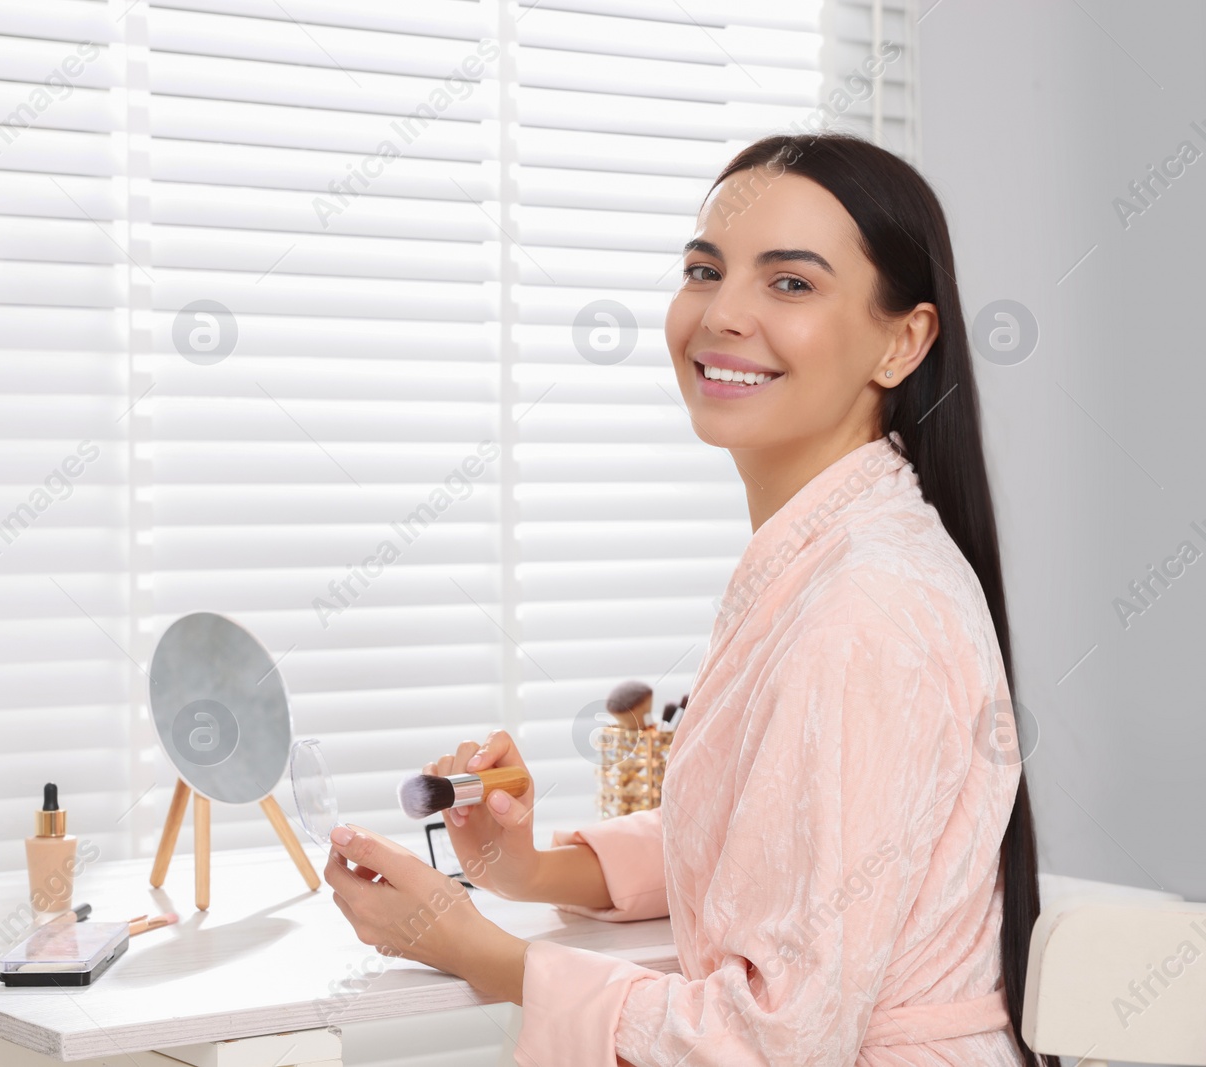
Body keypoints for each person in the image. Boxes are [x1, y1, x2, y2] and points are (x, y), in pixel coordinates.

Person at [323, 132, 1053, 1067]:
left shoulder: (862, 608)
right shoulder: (839, 552)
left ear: (902, 341)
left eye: (790, 283)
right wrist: (530, 866)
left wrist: (470, 947)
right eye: (705, 270)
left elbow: (775, 1036)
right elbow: (778, 842)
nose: (722, 315)